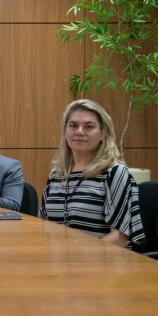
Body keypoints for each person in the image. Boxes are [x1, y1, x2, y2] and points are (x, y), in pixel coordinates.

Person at [39, 99, 145, 247]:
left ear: (102, 133)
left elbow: (120, 237)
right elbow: (43, 226)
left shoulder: (114, 173)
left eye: (89, 127)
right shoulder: (56, 175)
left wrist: (77, 257)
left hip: (101, 263)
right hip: (59, 262)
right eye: (73, 125)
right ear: (65, 131)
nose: (79, 132)